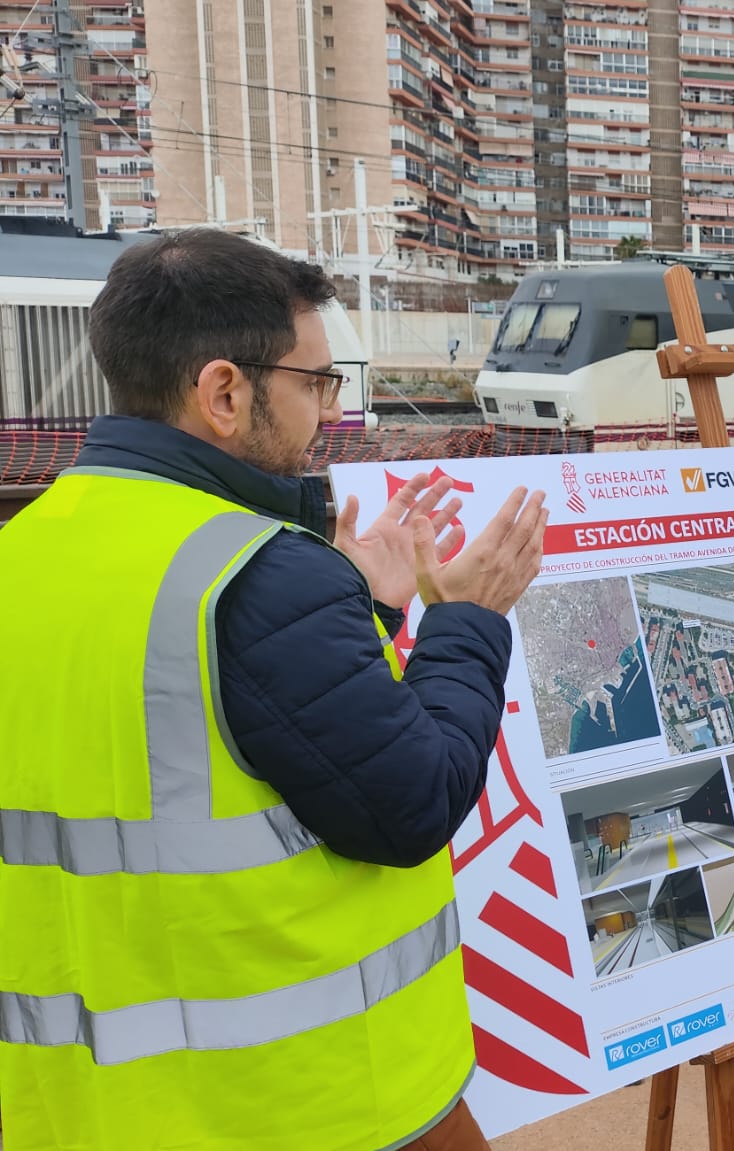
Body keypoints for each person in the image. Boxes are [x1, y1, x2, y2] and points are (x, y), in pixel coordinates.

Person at [0, 230, 548, 1150]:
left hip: (83, 1107)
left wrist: (360, 610)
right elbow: (413, 801)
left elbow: (195, 734)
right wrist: (468, 620)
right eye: (315, 383)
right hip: (304, 1102)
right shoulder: (261, 577)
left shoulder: (32, 546)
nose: (328, 413)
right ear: (224, 391)